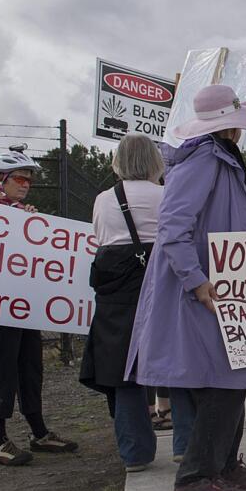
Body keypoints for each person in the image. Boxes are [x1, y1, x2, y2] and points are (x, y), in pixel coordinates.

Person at [125, 84, 246, 491]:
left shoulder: (219, 158)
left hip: (228, 279)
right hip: (208, 287)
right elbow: (173, 225)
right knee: (221, 381)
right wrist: (195, 280)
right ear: (231, 125)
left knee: (235, 376)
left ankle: (224, 465)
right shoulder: (205, 158)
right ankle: (195, 477)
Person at [80, 134, 193, 471]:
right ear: (156, 161)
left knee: (122, 370)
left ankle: (135, 452)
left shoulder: (103, 199)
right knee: (178, 362)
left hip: (116, 291)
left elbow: (101, 239)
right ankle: (186, 443)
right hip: (160, 282)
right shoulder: (168, 194)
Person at [0, 146, 78, 465]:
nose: (26, 183)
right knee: (1, 371)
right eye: (19, 177)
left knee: (31, 369)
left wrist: (32, 232)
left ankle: (39, 433)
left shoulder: (22, 215)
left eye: (29, 178)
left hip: (24, 306)